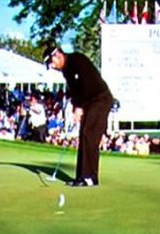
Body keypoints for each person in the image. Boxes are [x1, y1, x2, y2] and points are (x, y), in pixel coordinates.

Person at [45, 44, 117, 187]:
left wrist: (78, 106)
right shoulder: (66, 71)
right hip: (90, 102)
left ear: (58, 55)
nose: (53, 67)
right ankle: (82, 176)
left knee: (89, 135)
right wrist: (76, 107)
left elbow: (86, 85)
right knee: (84, 136)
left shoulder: (77, 60)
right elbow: (75, 91)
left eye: (52, 63)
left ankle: (90, 177)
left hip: (101, 99)